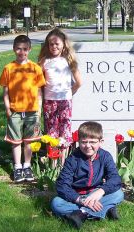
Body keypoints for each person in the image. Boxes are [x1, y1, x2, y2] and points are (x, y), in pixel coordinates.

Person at [51, 121, 124, 229]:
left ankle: (81, 214)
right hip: (77, 196)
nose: (88, 146)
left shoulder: (105, 156)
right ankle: (105, 210)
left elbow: (115, 179)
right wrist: (80, 200)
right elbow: (62, 185)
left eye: (92, 142)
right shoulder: (73, 159)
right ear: (78, 141)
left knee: (118, 194)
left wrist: (100, 192)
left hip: (96, 194)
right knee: (56, 203)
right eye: (84, 142)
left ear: (101, 141)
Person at [0, 35, 46, 183]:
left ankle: (27, 165)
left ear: (29, 50)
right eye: (19, 49)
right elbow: (5, 91)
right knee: (16, 141)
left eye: (25, 49)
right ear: (14, 49)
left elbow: (39, 91)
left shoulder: (35, 68)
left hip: (32, 111)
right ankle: (17, 166)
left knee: (29, 141)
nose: (22, 52)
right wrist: (7, 107)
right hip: (15, 111)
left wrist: (39, 109)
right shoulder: (9, 68)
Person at [38, 28, 83, 167]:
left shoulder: (68, 60)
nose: (54, 47)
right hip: (49, 102)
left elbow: (79, 82)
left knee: (64, 133)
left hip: (65, 101)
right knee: (51, 133)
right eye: (51, 44)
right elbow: (39, 84)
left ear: (64, 44)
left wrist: (68, 93)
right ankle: (53, 163)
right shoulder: (44, 61)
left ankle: (62, 165)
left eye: (57, 44)